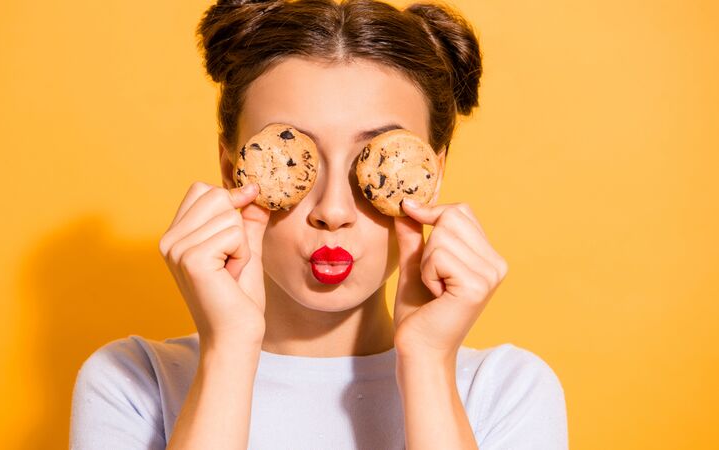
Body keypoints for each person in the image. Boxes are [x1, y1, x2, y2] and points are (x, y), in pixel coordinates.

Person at [69, 0, 568, 449]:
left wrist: (428, 364)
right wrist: (229, 350)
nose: (333, 210)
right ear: (232, 170)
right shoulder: (132, 381)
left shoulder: (506, 390)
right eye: (293, 157)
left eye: (373, 159)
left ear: (430, 176)